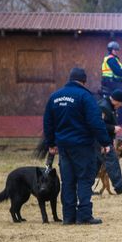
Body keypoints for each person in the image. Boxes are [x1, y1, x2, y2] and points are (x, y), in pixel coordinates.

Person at [43, 67, 113, 225]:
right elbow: (95, 122)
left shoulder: (55, 96)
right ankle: (84, 215)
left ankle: (68, 217)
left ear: (70, 79)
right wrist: (105, 142)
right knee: (84, 179)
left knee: (67, 180)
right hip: (82, 145)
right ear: (84, 81)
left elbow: (48, 122)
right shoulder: (85, 96)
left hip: (63, 146)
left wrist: (51, 143)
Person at [97, 89, 122, 194]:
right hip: (97, 138)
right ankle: (119, 186)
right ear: (116, 101)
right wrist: (113, 128)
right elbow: (98, 124)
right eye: (121, 104)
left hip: (103, 138)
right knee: (112, 159)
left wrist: (112, 138)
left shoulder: (109, 106)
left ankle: (87, 188)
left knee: (96, 163)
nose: (121, 106)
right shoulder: (104, 107)